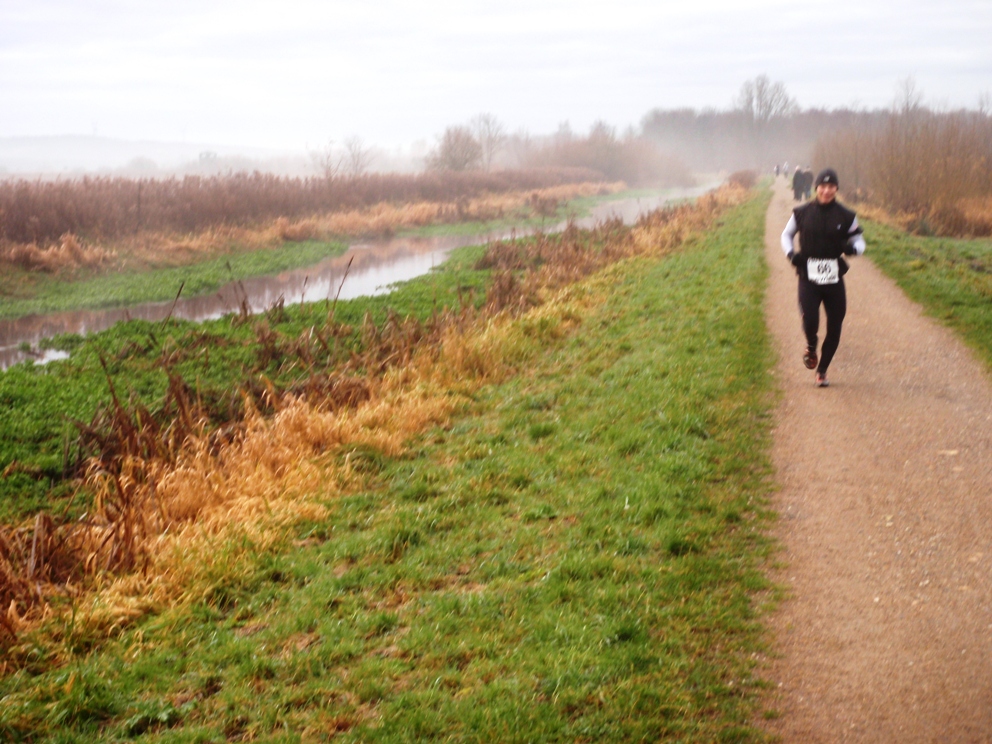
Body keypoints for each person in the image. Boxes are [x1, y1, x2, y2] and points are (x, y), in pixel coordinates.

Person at [781, 168, 866, 387]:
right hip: (808, 277)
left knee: (835, 325)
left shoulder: (846, 216)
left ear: (836, 188)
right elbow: (786, 235)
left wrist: (853, 249)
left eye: (831, 186)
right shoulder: (802, 212)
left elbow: (859, 241)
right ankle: (811, 345)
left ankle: (822, 371)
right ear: (816, 187)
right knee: (810, 321)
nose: (826, 190)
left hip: (834, 278)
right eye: (822, 186)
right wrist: (791, 254)